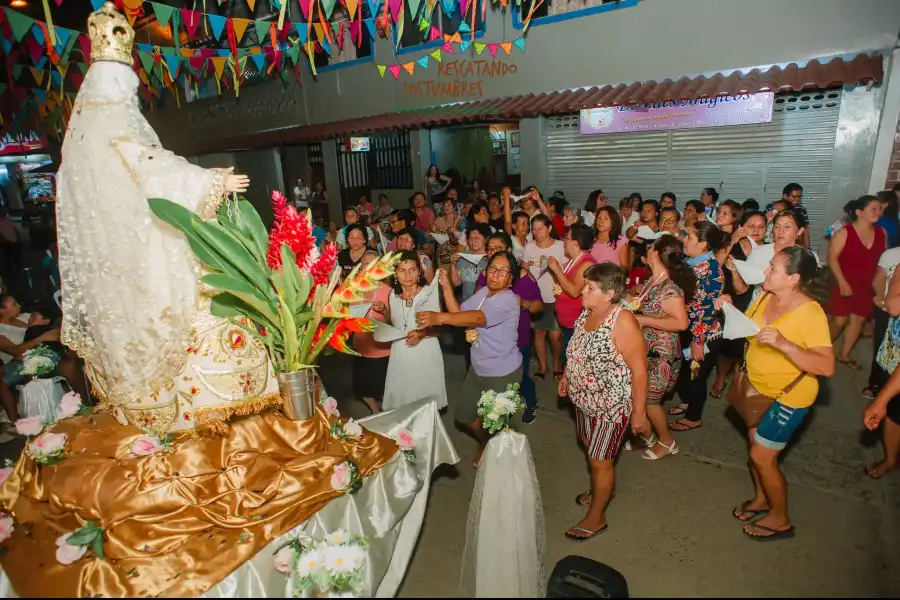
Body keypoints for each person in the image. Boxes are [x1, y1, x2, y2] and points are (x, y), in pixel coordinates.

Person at [55, 4, 278, 432]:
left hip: (114, 270)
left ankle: (150, 423)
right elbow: (150, 168)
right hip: (140, 262)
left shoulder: (75, 150)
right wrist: (211, 182)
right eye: (129, 87)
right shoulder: (115, 129)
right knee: (206, 317)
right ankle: (197, 427)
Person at [734, 246, 834, 540]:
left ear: (793, 279)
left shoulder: (810, 313)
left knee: (762, 456)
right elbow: (751, 329)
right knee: (756, 448)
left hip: (789, 396)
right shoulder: (766, 295)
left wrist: (785, 344)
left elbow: (826, 366)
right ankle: (763, 498)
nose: (765, 272)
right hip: (756, 387)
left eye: (773, 269)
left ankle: (780, 519)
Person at [558, 263, 650, 540]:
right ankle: (600, 487)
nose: (582, 291)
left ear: (609, 294)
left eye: (590, 288)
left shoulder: (622, 321)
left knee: (600, 460)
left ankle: (596, 517)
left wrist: (639, 413)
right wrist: (566, 375)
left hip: (611, 407)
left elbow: (640, 370)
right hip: (584, 401)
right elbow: (576, 347)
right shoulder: (588, 312)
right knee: (592, 450)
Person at [419, 253, 523, 466]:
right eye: (493, 268)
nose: (496, 274)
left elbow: (477, 318)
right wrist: (446, 286)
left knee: (496, 428)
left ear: (511, 279)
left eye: (503, 271)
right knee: (464, 415)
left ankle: (497, 462)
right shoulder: (485, 292)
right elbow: (459, 314)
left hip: (502, 374)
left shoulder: (509, 300)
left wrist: (438, 317)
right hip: (478, 369)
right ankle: (486, 442)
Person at [627, 235, 694, 459]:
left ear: (655, 254)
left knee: (648, 401)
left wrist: (644, 319)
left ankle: (667, 442)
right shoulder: (652, 281)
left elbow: (681, 323)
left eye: (649, 248)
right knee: (639, 397)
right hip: (646, 351)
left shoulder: (670, 289)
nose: (646, 251)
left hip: (662, 355)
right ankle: (647, 437)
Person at [474, 232, 543, 424]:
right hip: (491, 338)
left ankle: (531, 404)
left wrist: (524, 303)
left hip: (518, 337)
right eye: (490, 249)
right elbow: (476, 299)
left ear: (509, 251)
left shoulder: (523, 277)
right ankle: (496, 412)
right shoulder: (485, 274)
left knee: (520, 377)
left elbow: (539, 306)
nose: (493, 252)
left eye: (498, 248)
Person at [668, 221, 728, 431]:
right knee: (684, 371)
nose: (684, 240)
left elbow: (707, 311)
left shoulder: (711, 270)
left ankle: (694, 417)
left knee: (697, 375)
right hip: (687, 327)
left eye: (690, 237)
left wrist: (697, 343)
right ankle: (688, 401)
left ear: (703, 245)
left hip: (704, 334)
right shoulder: (689, 261)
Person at [379, 251, 447, 410]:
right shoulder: (392, 295)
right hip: (400, 352)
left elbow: (439, 328)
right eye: (402, 270)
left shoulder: (428, 293)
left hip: (424, 351)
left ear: (419, 271)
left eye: (412, 269)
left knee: (424, 403)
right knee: (402, 403)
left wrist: (421, 334)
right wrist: (384, 311)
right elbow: (394, 323)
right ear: (395, 273)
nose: (407, 275)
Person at [710, 210, 768, 397]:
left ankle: (739, 379)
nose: (756, 230)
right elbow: (713, 266)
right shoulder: (732, 245)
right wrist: (732, 241)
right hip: (731, 298)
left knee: (746, 345)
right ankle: (720, 378)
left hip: (756, 298)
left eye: (761, 226)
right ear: (742, 227)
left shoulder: (768, 250)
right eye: (751, 226)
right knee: (728, 344)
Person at [828, 195, 886, 370]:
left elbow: (883, 262)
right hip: (843, 281)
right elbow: (832, 259)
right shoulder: (844, 232)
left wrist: (880, 289)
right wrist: (842, 282)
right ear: (859, 212)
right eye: (873, 209)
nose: (878, 212)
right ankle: (819, 349)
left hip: (867, 284)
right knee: (839, 320)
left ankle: (843, 354)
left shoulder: (881, 233)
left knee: (858, 321)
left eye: (879, 208)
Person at [524, 215, 567, 380]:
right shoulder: (529, 247)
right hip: (536, 297)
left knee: (555, 335)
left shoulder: (560, 246)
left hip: (555, 296)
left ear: (549, 228)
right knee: (538, 332)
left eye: (540, 229)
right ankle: (543, 367)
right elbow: (524, 270)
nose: (537, 233)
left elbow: (566, 271)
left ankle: (557, 365)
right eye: (534, 229)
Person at [350, 250, 391, 414]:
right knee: (363, 387)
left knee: (384, 386)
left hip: (382, 349)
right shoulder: (353, 290)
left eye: (371, 264)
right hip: (360, 346)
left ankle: (387, 408)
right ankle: (375, 411)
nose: (366, 267)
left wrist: (385, 310)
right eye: (364, 263)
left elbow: (394, 322)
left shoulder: (387, 291)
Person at [548, 224, 597, 358]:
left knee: (572, 361)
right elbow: (563, 283)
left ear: (575, 243)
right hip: (567, 322)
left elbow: (574, 291)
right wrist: (554, 271)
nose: (564, 241)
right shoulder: (573, 261)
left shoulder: (587, 263)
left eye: (567, 238)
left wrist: (557, 270)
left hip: (576, 324)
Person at [864, 245, 900, 399]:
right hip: (886, 312)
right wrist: (881, 298)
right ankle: (876, 383)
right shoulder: (891, 255)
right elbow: (878, 279)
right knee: (882, 347)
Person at [451, 224, 491, 302]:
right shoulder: (463, 256)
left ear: (485, 239)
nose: (473, 241)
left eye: (477, 238)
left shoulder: (491, 257)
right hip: (466, 303)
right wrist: (453, 264)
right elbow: (456, 283)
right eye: (470, 238)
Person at [432, 196, 464, 266]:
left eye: (449, 205)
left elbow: (463, 236)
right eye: (445, 205)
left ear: (454, 207)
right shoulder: (439, 220)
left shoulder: (460, 219)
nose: (446, 207)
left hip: (457, 252)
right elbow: (433, 233)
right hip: (442, 253)